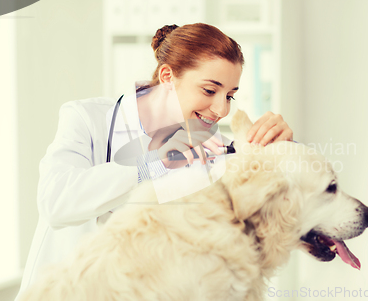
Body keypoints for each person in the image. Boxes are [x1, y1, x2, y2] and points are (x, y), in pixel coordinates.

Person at [15, 23, 293, 300]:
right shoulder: (87, 119)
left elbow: (262, 215)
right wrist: (156, 164)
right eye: (210, 91)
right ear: (168, 76)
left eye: (230, 95)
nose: (222, 110)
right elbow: (56, 203)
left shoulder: (211, 149)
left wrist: (283, 151)